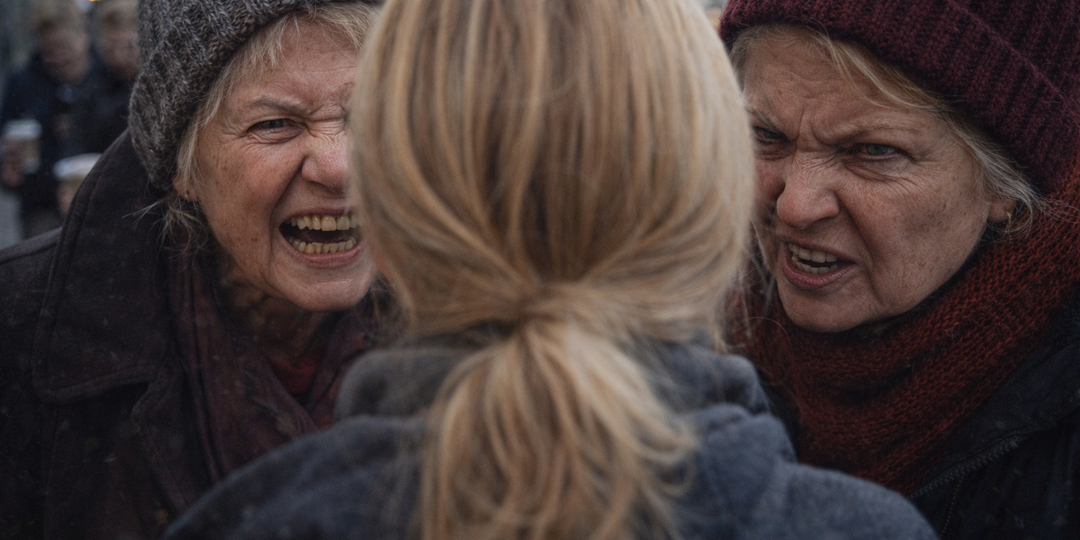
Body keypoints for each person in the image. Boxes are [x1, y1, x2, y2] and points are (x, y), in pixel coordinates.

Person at [161, 0, 937, 539]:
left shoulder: (254, 522)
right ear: (713, 208)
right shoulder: (861, 530)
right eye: (275, 124)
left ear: (391, 214)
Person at [0, 0, 383, 538]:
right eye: (275, 123)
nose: (341, 166)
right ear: (182, 163)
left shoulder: (481, 318)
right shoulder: (20, 330)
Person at [720, 0, 1080, 538]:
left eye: (871, 151)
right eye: (767, 136)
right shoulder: (686, 332)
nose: (795, 205)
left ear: (1006, 184)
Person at [0, 0, 93, 237]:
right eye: (51, 49)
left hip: (100, 205)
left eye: (66, 46)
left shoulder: (108, 79)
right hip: (41, 211)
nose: (60, 57)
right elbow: (7, 145)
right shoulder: (23, 84)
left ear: (83, 34)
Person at [64, 0, 139, 156]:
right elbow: (77, 144)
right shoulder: (93, 86)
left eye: (129, 46)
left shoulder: (161, 84)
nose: (119, 57)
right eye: (110, 48)